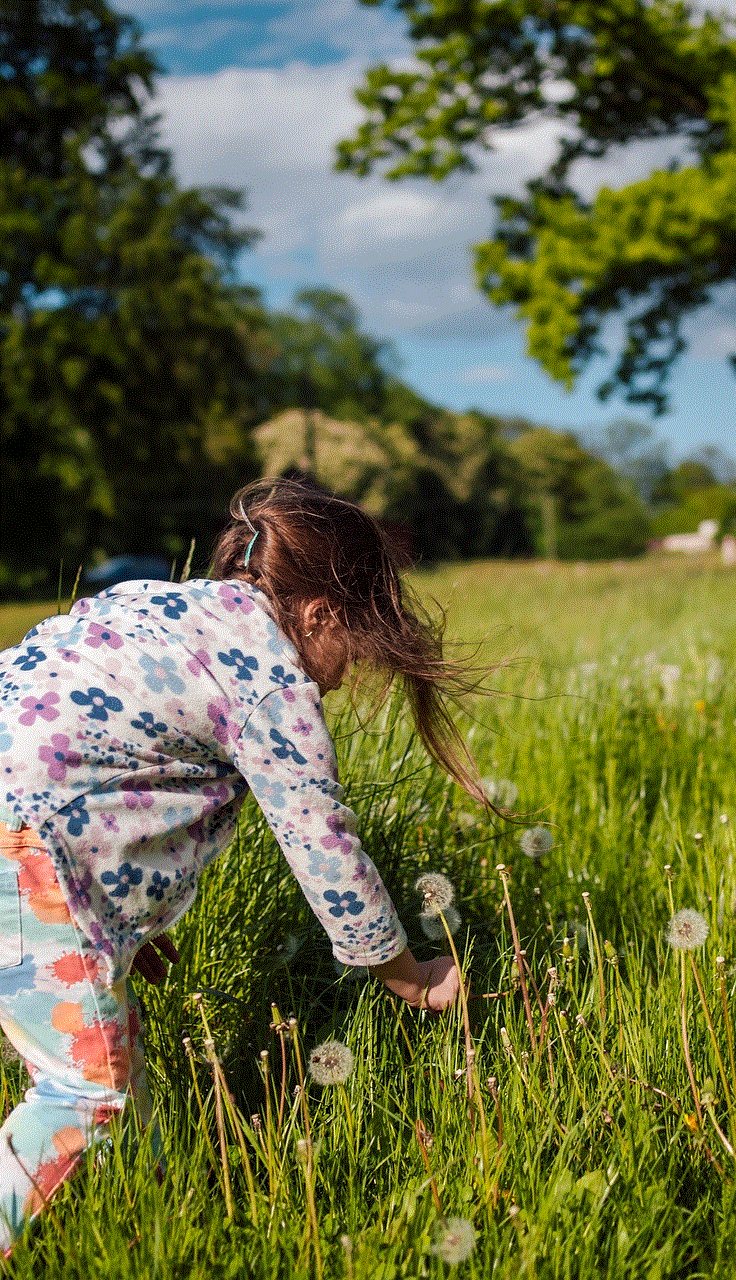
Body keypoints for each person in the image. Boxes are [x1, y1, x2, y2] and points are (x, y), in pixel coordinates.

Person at [0, 478, 485, 1251]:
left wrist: (112, 912)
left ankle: (154, 1225)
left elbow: (90, 746)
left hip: (31, 845)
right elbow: (321, 841)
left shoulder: (157, 605)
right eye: (352, 644)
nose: (344, 672)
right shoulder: (270, 679)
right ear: (319, 613)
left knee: (117, 1062)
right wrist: (408, 973)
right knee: (85, 1093)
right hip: (26, 850)